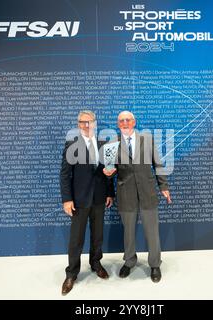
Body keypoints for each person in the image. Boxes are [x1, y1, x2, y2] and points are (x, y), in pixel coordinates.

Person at [103, 111, 171, 283]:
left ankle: (155, 265)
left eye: (128, 120)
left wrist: (163, 186)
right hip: (126, 193)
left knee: (152, 231)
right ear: (118, 124)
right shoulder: (112, 144)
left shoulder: (147, 140)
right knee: (129, 232)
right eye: (121, 121)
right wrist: (108, 178)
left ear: (134, 122)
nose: (124, 123)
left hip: (147, 192)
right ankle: (129, 261)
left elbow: (158, 164)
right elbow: (109, 172)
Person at [59, 110, 115, 295]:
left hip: (99, 199)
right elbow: (65, 175)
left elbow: (108, 174)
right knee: (76, 239)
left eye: (89, 122)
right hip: (79, 201)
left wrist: (109, 193)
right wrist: (67, 199)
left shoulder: (105, 145)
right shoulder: (71, 145)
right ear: (78, 124)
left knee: (97, 235)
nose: (86, 125)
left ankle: (96, 263)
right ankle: (72, 273)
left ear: (95, 123)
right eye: (82, 122)